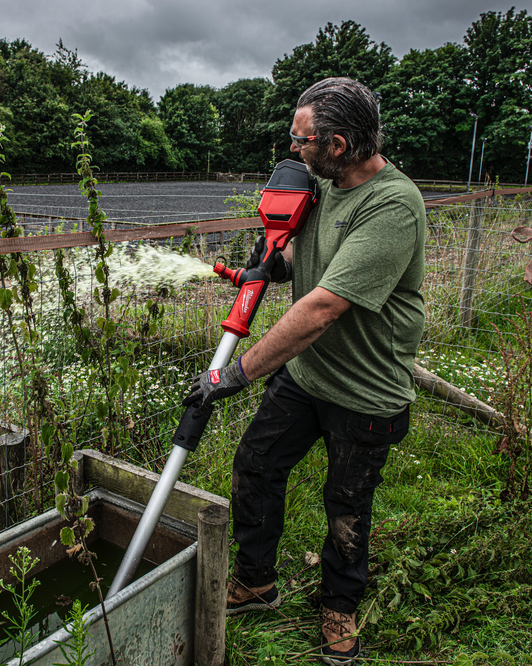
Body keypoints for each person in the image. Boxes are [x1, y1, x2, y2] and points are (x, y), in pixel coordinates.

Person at [184, 77, 426, 665]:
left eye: (302, 139)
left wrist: (236, 373)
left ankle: (339, 608)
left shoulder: (392, 206)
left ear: (337, 144)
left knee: (346, 505)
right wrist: (274, 261)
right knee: (256, 464)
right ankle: (256, 580)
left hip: (364, 390)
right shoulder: (323, 185)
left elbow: (322, 308)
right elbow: (308, 255)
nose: (294, 148)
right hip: (308, 373)